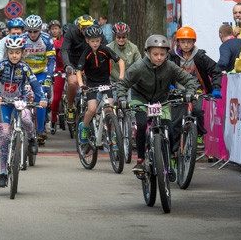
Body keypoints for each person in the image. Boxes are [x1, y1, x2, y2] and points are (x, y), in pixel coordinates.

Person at [117, 34, 200, 174]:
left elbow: (188, 80)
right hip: (141, 99)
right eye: (155, 54)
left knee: (169, 128)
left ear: (167, 53)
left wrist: (190, 92)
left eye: (162, 54)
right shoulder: (138, 67)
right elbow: (123, 85)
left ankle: (169, 161)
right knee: (142, 124)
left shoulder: (170, 66)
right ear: (147, 53)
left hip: (161, 101)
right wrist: (123, 99)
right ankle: (141, 160)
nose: (159, 57)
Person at [0, 35, 46, 188]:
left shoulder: (25, 67)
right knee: (5, 136)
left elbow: (35, 85)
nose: (14, 55)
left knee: (27, 119)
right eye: (11, 52)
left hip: (20, 100)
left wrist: (42, 97)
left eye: (18, 52)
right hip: (4, 103)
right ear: (7, 52)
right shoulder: (1, 65)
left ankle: (32, 138)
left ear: (22, 53)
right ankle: (2, 173)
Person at [168, 26, 222, 138]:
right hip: (177, 91)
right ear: (178, 42)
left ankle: (198, 135)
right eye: (183, 42)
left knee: (197, 111)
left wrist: (216, 87)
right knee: (176, 121)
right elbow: (163, 73)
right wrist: (169, 85)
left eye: (189, 42)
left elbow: (216, 70)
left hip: (195, 91)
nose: (186, 45)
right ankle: (174, 150)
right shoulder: (172, 57)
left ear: (194, 42)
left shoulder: (200, 57)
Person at [75, 25, 123, 144]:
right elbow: (79, 71)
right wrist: (81, 85)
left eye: (97, 41)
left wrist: (121, 75)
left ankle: (113, 135)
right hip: (91, 83)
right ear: (87, 41)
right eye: (92, 41)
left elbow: (120, 61)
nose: (95, 43)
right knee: (91, 109)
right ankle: (84, 127)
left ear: (101, 39)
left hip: (106, 82)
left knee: (109, 109)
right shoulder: (86, 53)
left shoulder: (105, 49)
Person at [21, 14, 55, 139]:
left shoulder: (47, 39)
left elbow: (51, 60)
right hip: (26, 73)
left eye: (35, 31)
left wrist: (49, 76)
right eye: (29, 31)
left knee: (41, 97)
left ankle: (40, 129)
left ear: (40, 29)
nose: (32, 34)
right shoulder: (22, 39)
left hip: (41, 73)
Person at [59, 15, 97, 124]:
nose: (86, 30)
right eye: (84, 27)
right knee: (72, 82)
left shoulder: (96, 33)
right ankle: (70, 107)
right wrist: (67, 65)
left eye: (89, 27)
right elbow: (64, 50)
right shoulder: (71, 33)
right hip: (73, 63)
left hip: (88, 63)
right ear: (79, 27)